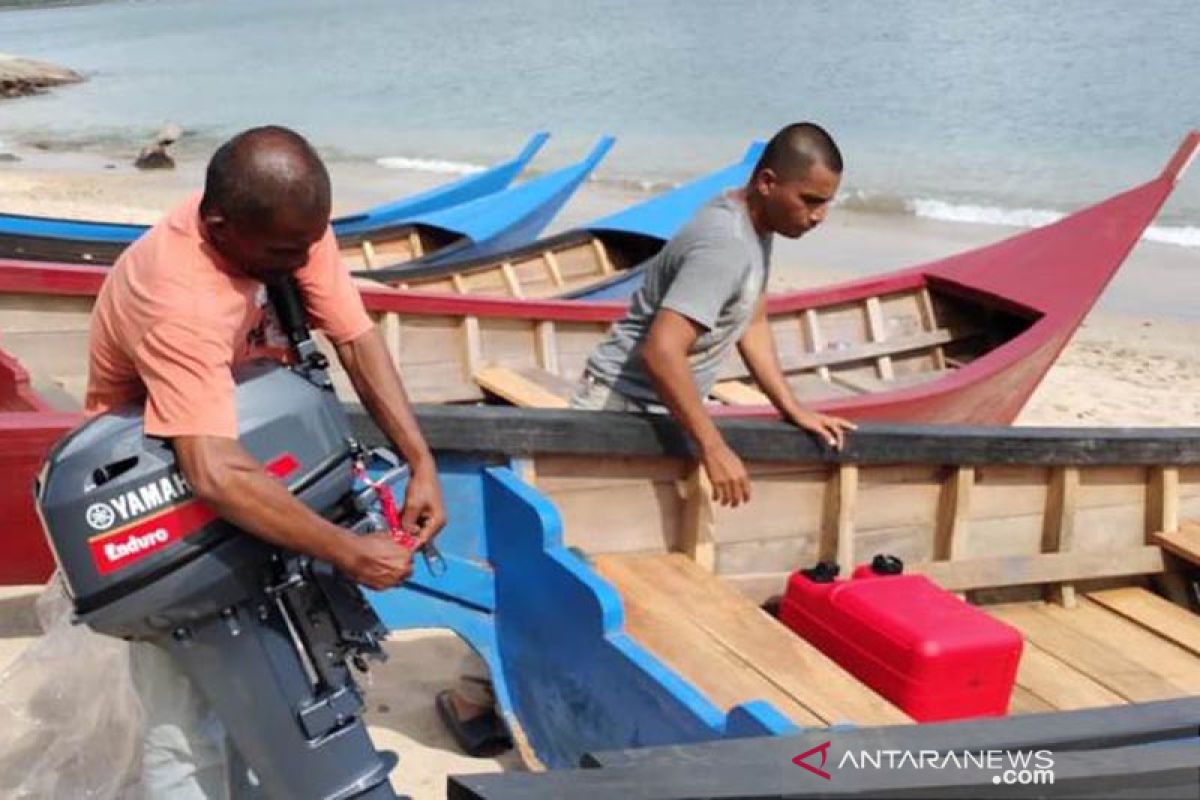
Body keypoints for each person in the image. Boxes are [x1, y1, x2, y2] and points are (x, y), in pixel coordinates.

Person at [436, 122, 856, 755]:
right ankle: (473, 694)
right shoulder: (724, 243)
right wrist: (713, 445)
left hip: (654, 412)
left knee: (597, 567)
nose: (820, 216)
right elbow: (664, 352)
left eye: (827, 203)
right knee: (563, 563)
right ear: (768, 183)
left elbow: (753, 319)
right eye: (811, 201)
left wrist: (792, 406)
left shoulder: (756, 230)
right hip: (617, 411)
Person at [85, 125, 447, 798]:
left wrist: (420, 461)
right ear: (219, 227)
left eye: (311, 243)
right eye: (286, 251)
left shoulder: (290, 227)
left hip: (262, 464)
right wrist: (350, 550)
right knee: (188, 726)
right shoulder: (179, 297)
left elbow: (357, 341)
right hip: (171, 506)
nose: (303, 260)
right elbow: (212, 472)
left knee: (287, 696)